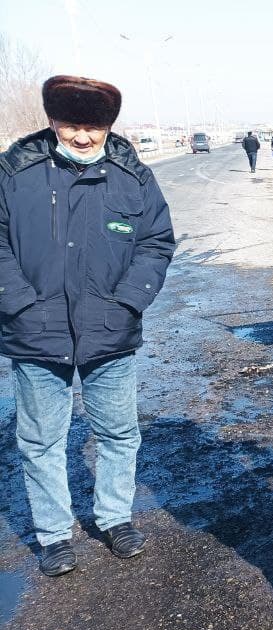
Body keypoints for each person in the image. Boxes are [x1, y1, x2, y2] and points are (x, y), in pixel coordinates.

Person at [0, 76, 175, 576]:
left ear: (107, 127)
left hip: (110, 332)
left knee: (119, 433)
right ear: (53, 122)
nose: (82, 137)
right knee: (40, 440)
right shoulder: (15, 173)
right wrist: (18, 304)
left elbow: (156, 243)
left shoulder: (133, 177)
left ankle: (116, 517)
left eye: (92, 127)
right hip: (35, 333)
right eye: (72, 125)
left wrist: (127, 303)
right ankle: (54, 534)